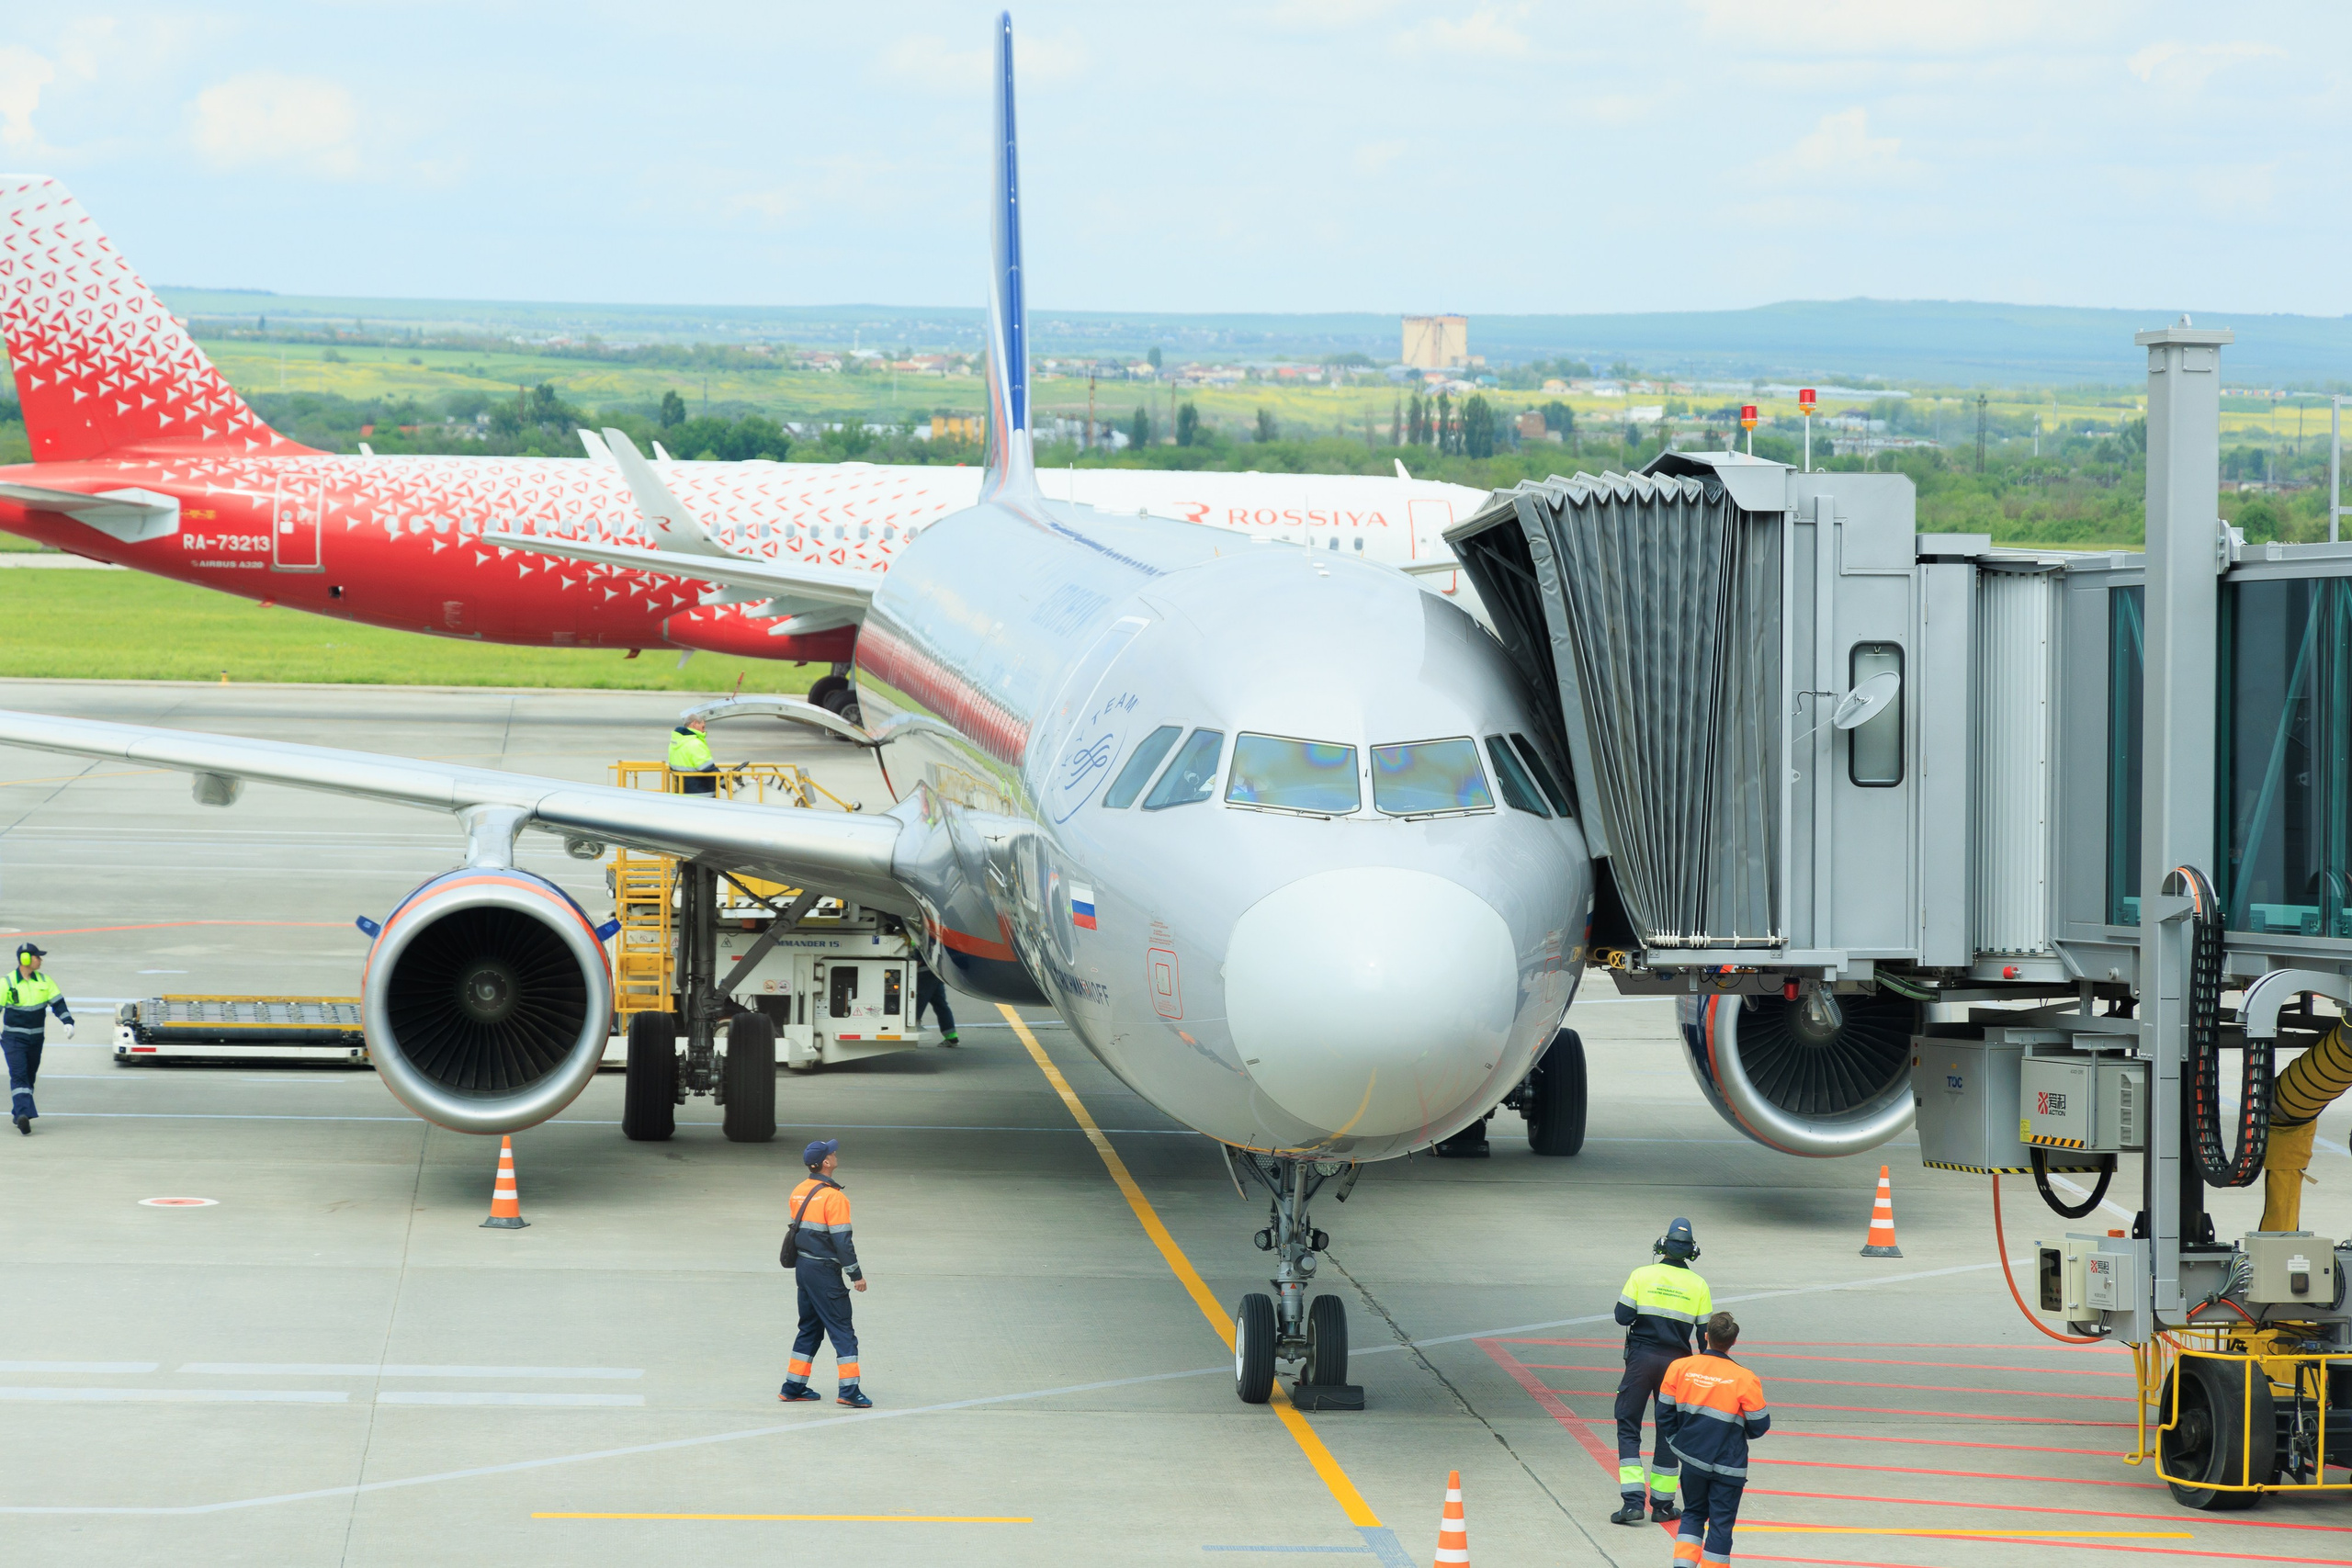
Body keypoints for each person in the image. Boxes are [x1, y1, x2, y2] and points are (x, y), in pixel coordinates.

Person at [1610, 1216, 1712, 1525]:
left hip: (1641, 1360)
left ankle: (1632, 1504)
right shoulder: (1699, 1285)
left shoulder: (1642, 1275)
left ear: (1661, 1246)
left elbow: (1622, 1317)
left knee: (1629, 1425)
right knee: (1669, 1432)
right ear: (1692, 1252)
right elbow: (1705, 1341)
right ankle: (1663, 1505)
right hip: (1677, 1366)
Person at [1658, 1311, 1770, 1567]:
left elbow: (1664, 1413)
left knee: (1693, 1515)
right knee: (1721, 1525)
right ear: (1733, 1342)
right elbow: (1760, 1425)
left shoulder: (1680, 1367)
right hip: (1729, 1463)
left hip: (1693, 1458)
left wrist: (1679, 1442)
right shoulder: (1745, 1378)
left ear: (1706, 1336)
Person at [780, 1137, 871, 1407]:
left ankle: (793, 1386)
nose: (835, 1153)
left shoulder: (799, 1190)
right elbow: (842, 1241)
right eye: (832, 1152)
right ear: (827, 1162)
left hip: (804, 1269)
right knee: (842, 1329)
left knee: (809, 1327)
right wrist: (856, 1275)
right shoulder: (834, 1197)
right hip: (824, 1271)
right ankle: (849, 1391)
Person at [4, 942, 74, 1135]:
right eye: (37, 957)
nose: (41, 960)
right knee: (19, 1075)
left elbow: (58, 1003)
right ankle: (24, 1116)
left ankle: (18, 1112)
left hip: (35, 1040)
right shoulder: (7, 983)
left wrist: (68, 1022)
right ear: (25, 959)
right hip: (14, 1040)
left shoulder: (45, 981)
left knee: (29, 1076)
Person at [912, 953, 959, 1046]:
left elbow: (920, 947)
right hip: (936, 971)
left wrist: (916, 961)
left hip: (924, 971)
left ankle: (913, 1037)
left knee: (917, 1005)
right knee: (940, 1004)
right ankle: (951, 1037)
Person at [668, 714, 718, 796]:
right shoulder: (694, 743)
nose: (704, 731)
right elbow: (708, 768)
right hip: (700, 794)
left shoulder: (675, 742)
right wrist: (725, 782)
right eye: (703, 727)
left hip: (682, 792)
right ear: (695, 724)